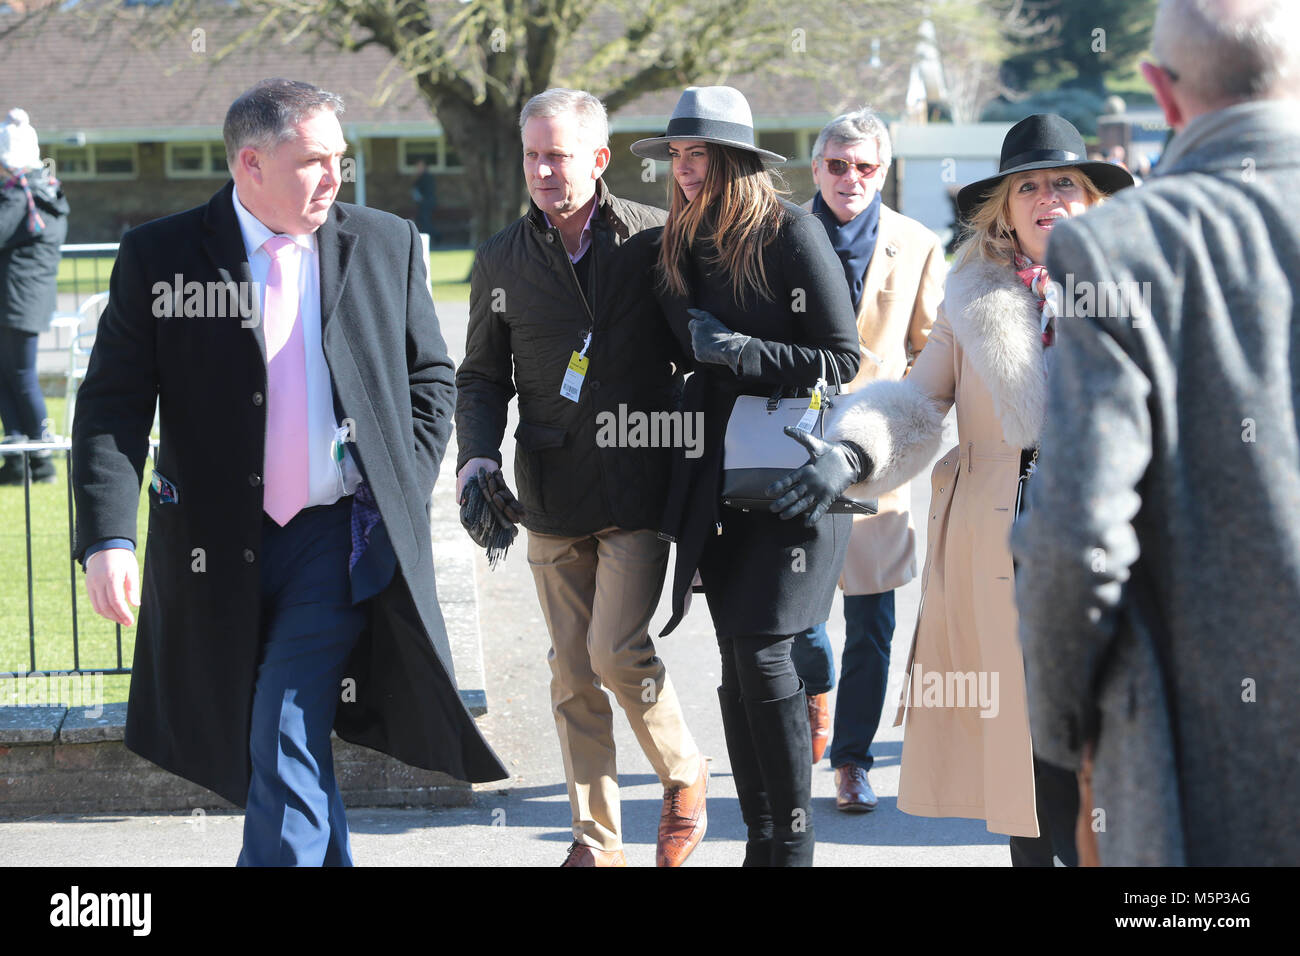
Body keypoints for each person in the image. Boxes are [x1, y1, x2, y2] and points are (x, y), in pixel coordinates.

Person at [71, 78, 507, 866]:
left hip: (332, 542)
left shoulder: (385, 242)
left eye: (340, 158)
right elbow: (112, 406)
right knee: (280, 737)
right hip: (212, 550)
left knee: (282, 722)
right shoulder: (160, 256)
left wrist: (394, 479)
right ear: (250, 165)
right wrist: (107, 537)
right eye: (313, 161)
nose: (335, 177)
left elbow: (430, 378)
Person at [770, 113, 1132, 864]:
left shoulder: (1140, 289)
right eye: (1027, 185)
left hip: (1111, 538)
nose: (1047, 198)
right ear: (1004, 208)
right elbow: (914, 401)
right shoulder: (970, 294)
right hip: (998, 537)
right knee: (1023, 748)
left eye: (1064, 181)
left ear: (1093, 196)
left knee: (1105, 736)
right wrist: (849, 452)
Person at [1012, 0, 1300, 866]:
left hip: (1195, 768)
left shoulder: (1125, 249)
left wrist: (1062, 726)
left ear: (1161, 96)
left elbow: (1074, 532)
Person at [455, 88, 707, 868]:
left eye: (557, 154)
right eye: (532, 154)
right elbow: (479, 376)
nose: (542, 169)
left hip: (637, 486)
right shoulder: (500, 258)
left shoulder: (655, 240)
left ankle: (685, 770)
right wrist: (476, 455)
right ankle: (597, 844)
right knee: (570, 675)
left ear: (598, 160)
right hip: (550, 491)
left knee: (614, 651)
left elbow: (697, 357)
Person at [632, 86, 860, 866]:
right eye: (678, 156)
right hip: (717, 483)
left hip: (795, 482)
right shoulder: (676, 243)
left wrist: (738, 351)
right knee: (735, 657)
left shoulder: (790, 234)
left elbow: (842, 360)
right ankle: (762, 839)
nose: (686, 170)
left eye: (700, 155)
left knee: (765, 652)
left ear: (734, 161)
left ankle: (791, 846)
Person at [788, 108, 946, 812]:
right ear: (817, 168)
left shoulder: (916, 243)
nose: (851, 178)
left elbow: (930, 352)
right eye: (837, 165)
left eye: (866, 166)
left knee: (873, 622)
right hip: (791, 448)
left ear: (883, 169)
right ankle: (816, 692)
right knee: (800, 619)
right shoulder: (778, 234)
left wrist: (901, 423)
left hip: (878, 455)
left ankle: (853, 760)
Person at [0, 108, 68, 484]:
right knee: (8, 376)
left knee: (21, 377)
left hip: (16, 298)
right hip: (27, 297)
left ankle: (41, 461)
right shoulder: (46, 192)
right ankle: (17, 457)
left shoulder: (18, 197)